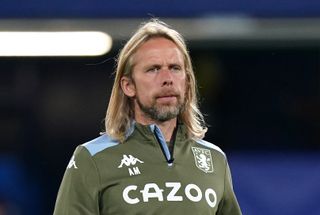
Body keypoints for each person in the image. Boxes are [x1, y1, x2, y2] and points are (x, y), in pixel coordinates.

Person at [53, 19, 242, 215]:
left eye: (175, 68)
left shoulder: (214, 159)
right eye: (153, 69)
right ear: (128, 86)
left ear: (187, 83)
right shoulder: (92, 158)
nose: (167, 79)